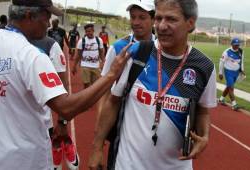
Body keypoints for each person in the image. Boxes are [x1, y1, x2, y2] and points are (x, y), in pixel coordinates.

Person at [0, 0, 130, 169]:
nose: (49, 23)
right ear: (29, 16)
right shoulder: (31, 56)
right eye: (47, 16)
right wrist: (111, 75)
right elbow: (67, 108)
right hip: (24, 159)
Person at [89, 0, 217, 169]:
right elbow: (113, 102)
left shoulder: (204, 67)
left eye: (171, 19)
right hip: (127, 164)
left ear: (190, 23)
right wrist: (97, 147)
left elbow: (202, 111)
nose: (162, 26)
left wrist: (205, 136)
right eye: (158, 18)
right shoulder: (136, 53)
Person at [30, 36, 79, 170]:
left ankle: (59, 143)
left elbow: (62, 85)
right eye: (46, 16)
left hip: (41, 121)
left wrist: (62, 122)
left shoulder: (50, 44)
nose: (49, 22)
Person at [72, 24, 104, 88]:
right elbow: (78, 54)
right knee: (86, 84)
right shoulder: (82, 41)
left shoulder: (99, 40)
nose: (88, 33)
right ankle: (86, 97)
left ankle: (92, 97)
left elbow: (101, 52)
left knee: (95, 84)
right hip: (85, 65)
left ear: (93, 31)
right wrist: (74, 66)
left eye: (89, 31)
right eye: (86, 31)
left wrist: (103, 62)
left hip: (96, 65)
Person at [218, 37, 245, 110]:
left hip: (236, 72)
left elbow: (241, 61)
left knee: (229, 86)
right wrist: (220, 73)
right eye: (235, 45)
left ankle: (221, 99)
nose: (237, 46)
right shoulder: (226, 52)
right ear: (232, 44)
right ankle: (234, 104)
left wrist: (242, 70)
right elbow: (221, 62)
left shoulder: (241, 51)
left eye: (238, 45)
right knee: (231, 87)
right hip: (228, 71)